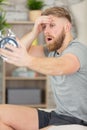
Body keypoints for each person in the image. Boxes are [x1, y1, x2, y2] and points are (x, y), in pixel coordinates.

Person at [0, 6, 87, 130]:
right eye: (44, 27)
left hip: (78, 119)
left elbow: (61, 66)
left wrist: (27, 60)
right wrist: (35, 31)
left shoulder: (77, 50)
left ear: (67, 27)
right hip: (57, 115)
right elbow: (18, 50)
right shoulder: (51, 50)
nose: (46, 31)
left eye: (52, 25)